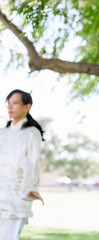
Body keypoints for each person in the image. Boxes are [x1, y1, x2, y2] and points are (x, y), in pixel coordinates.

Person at [0, 89, 45, 240]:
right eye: (8, 104)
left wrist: (31, 188)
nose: (10, 107)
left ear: (27, 107)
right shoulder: (2, 133)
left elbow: (33, 163)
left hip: (16, 197)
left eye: (15, 103)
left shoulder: (32, 133)